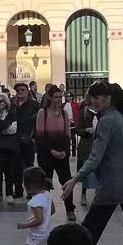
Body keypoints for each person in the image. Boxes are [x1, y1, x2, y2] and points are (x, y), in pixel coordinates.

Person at [62, 82, 123, 245]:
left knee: (89, 231)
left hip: (113, 184)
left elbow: (95, 157)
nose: (93, 101)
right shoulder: (120, 117)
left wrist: (75, 179)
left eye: (96, 97)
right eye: (91, 97)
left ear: (108, 98)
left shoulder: (106, 120)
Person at [33, 87, 75, 221]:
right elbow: (40, 136)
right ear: (49, 98)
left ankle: (70, 209)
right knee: (46, 182)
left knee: (67, 181)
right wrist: (52, 151)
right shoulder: (42, 113)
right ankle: (45, 209)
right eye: (56, 97)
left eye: (60, 97)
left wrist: (65, 152)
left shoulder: (64, 114)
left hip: (62, 153)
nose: (58, 100)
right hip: (46, 153)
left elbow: (67, 135)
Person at [16, 166, 55, 245]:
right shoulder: (48, 195)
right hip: (47, 233)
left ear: (30, 185)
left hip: (36, 235)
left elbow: (39, 220)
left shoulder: (35, 201)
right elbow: (52, 211)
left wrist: (25, 225)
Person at [0, 92, 23, 201]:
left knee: (9, 171)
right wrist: (3, 127)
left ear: (6, 103)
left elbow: (13, 130)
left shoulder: (11, 114)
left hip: (9, 147)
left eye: (0, 101)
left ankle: (9, 193)